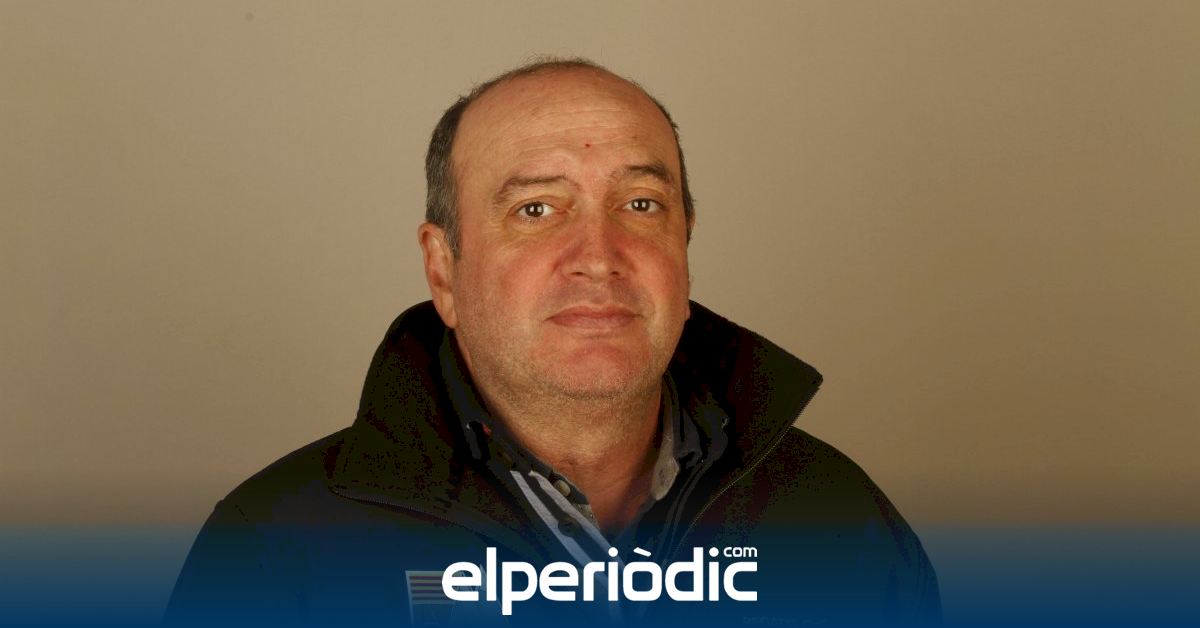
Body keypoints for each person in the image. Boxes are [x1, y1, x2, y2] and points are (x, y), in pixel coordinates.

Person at [165, 58, 940, 627]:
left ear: (685, 245)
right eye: (536, 210)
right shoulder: (274, 549)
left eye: (641, 204)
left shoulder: (840, 520)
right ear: (443, 268)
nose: (599, 257)